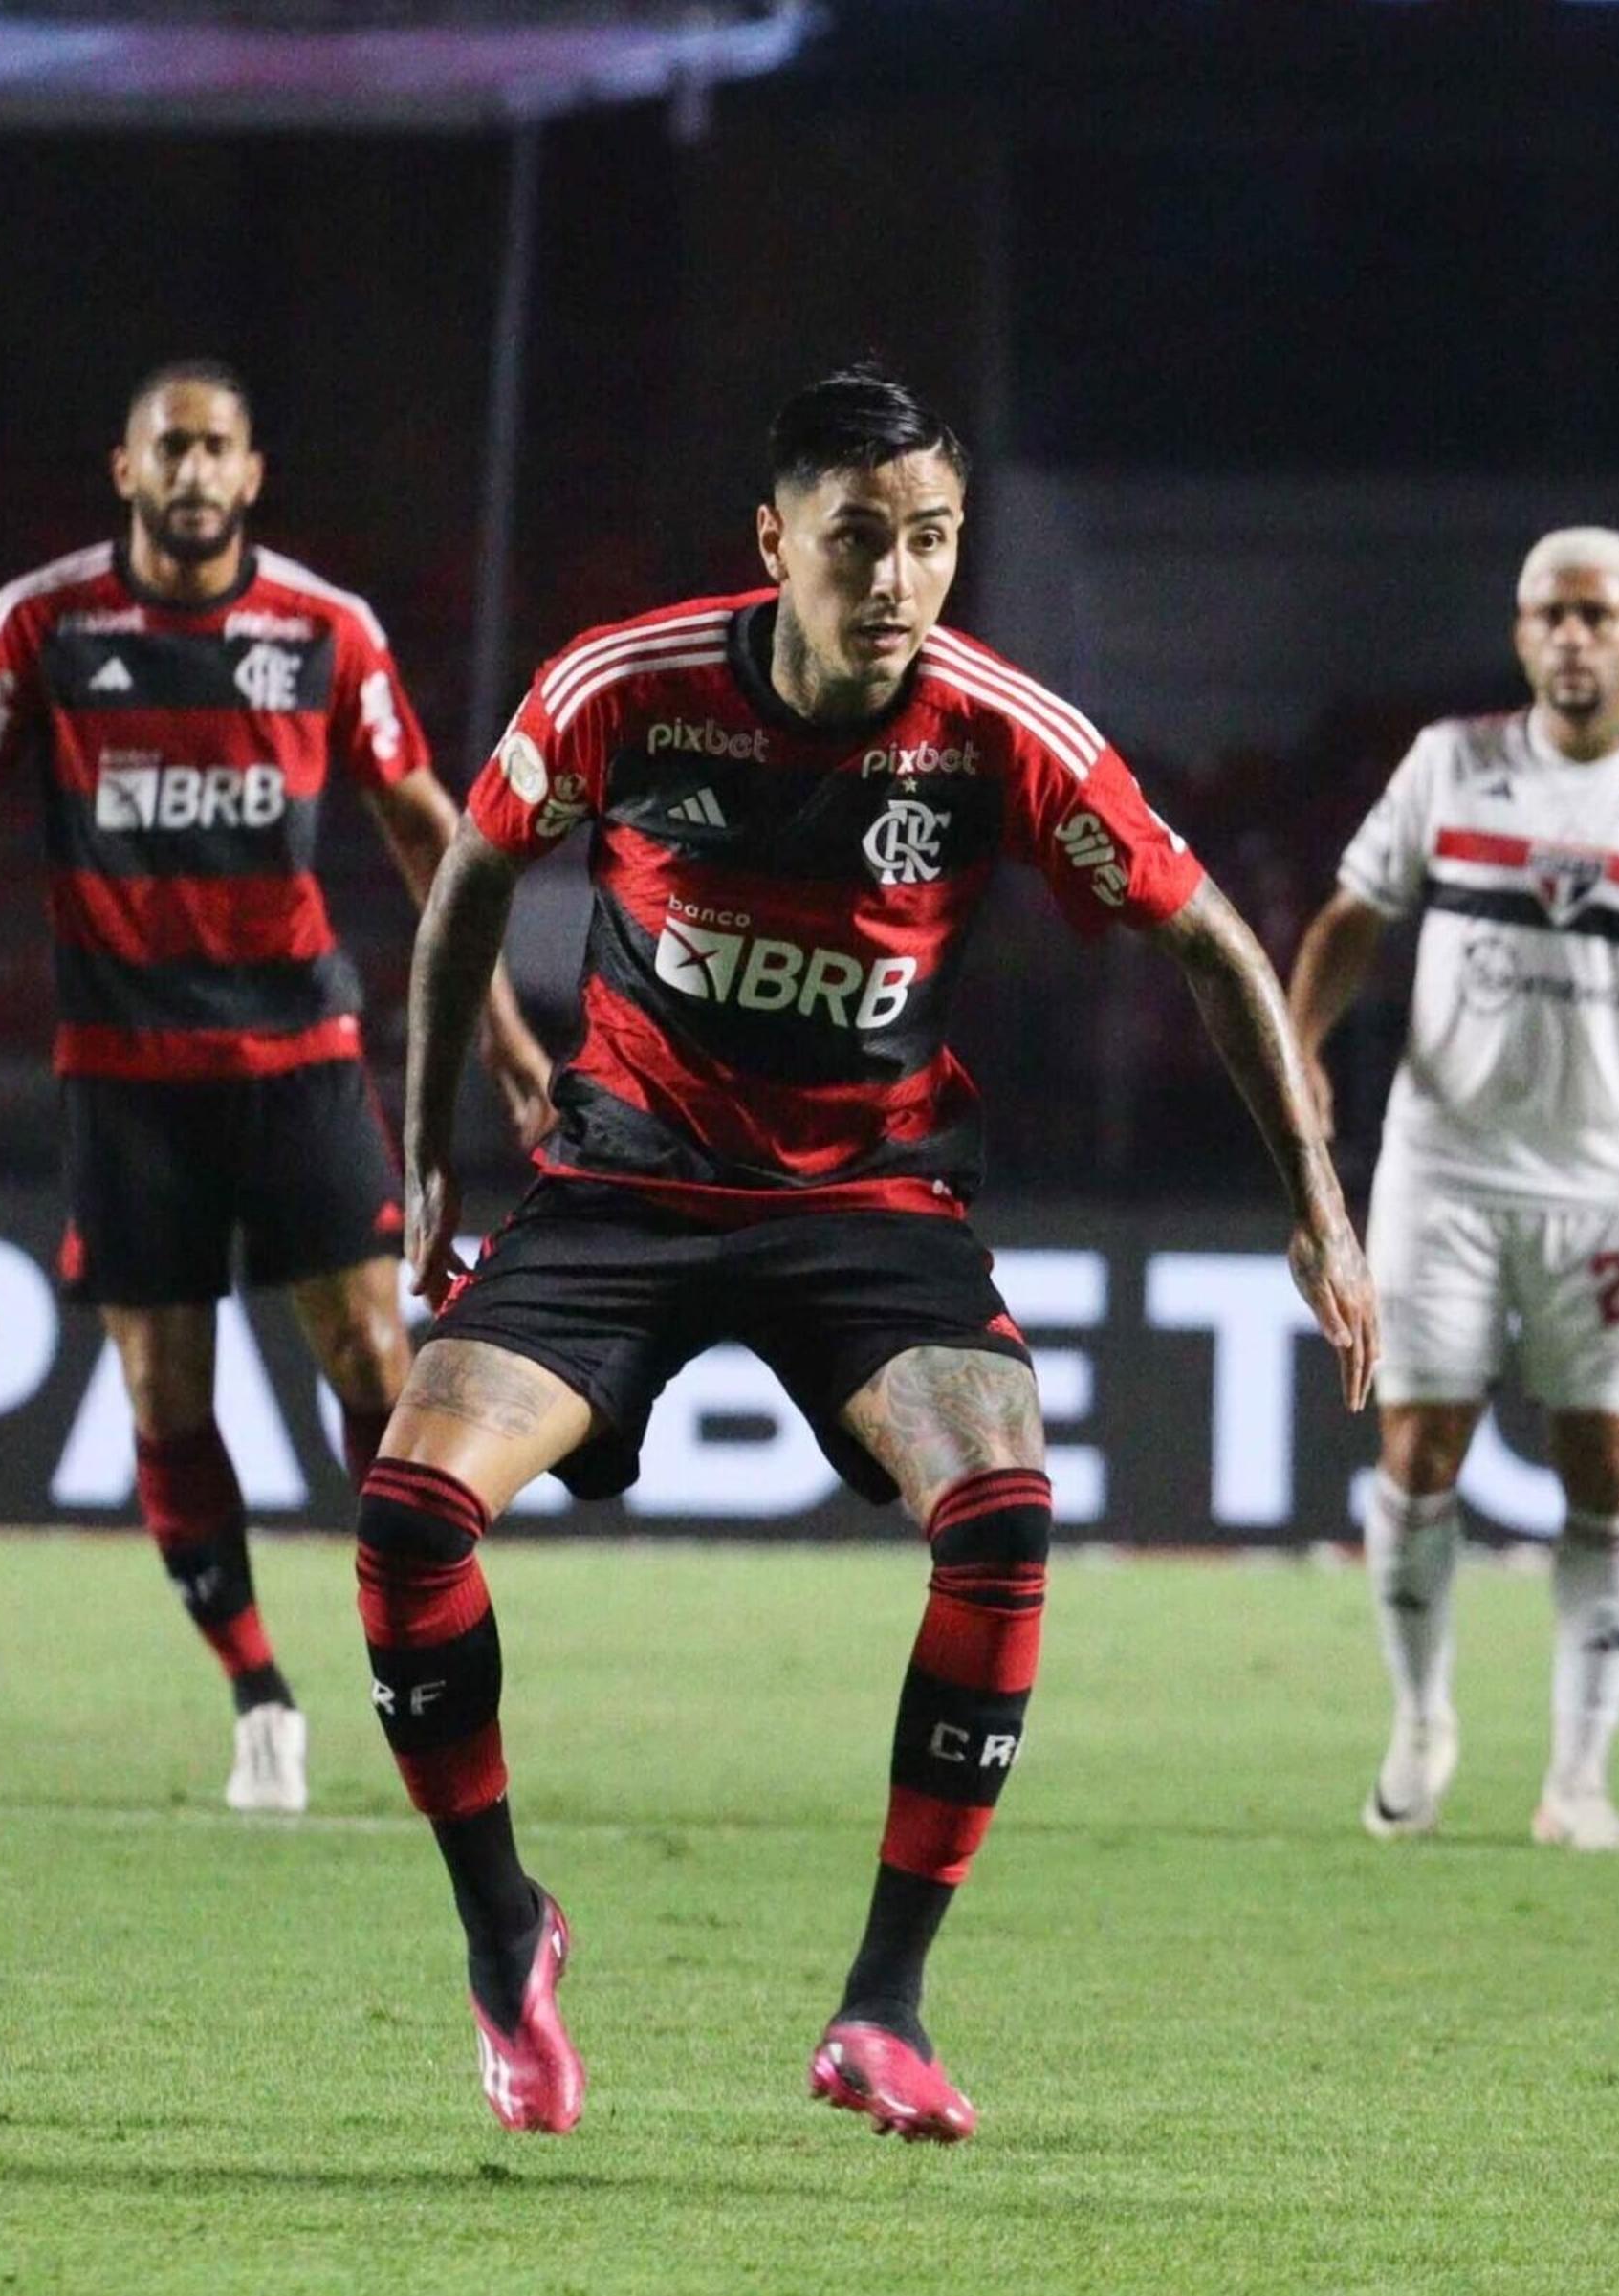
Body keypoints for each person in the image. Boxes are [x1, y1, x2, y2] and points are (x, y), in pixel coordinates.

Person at [361, 363, 1376, 2139]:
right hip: (624, 1185)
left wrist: (1317, 1203)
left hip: (870, 1206)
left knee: (1003, 1510)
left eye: (931, 540)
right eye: (859, 541)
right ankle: (503, 1932)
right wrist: (432, 1151)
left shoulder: (999, 732)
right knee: (406, 1516)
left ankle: (886, 2007)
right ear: (776, 543)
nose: (900, 579)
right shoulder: (629, 688)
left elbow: (1214, 939)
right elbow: (465, 885)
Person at [0, 359, 550, 1816]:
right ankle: (258, 1692)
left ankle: (410, 1642)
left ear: (252, 475)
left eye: (215, 449)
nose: (190, 471)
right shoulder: (38, 628)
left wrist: (497, 1028)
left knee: (377, 1358)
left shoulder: (323, 631)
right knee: (164, 1391)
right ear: (124, 468)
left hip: (299, 1052)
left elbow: (432, 831)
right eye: (166, 448)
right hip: (124, 1077)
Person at [1284, 528, 1619, 1855]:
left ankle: (1581, 1779)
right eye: (1550, 614)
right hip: (1444, 1169)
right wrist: (1304, 1051)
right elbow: (1350, 918)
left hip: (1608, 1184)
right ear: (1521, 633)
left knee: (1607, 1464)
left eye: (1597, 615)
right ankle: (1421, 1720)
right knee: (1416, 1446)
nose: (1572, 637)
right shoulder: (1454, 761)